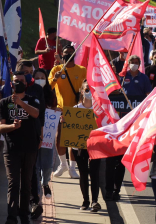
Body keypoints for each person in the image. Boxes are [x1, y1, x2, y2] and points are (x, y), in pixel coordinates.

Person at [0, 71, 40, 224]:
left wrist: (21, 104)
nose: (18, 83)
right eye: (16, 81)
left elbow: (35, 114)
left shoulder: (33, 100)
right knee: (13, 183)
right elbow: (0, 128)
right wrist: (12, 127)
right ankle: (12, 217)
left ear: (26, 84)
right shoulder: (4, 103)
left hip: (29, 148)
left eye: (21, 81)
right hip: (11, 149)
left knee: (26, 183)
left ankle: (24, 215)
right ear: (11, 84)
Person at [49, 44, 87, 179]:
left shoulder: (82, 70)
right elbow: (48, 88)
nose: (68, 54)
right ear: (62, 54)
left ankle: (72, 167)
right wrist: (55, 78)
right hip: (61, 109)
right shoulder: (56, 69)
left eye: (71, 52)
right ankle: (63, 164)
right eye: (66, 52)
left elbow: (87, 88)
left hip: (77, 109)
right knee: (59, 138)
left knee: (75, 140)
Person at [15, 61, 46, 219]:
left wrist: (41, 135)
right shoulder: (12, 88)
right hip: (14, 136)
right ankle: (17, 207)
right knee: (15, 174)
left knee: (31, 171)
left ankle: (34, 203)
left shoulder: (37, 89)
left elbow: (41, 115)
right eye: (24, 72)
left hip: (32, 135)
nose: (27, 74)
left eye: (30, 72)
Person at [72, 80, 102, 212]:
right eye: (86, 90)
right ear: (82, 92)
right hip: (79, 148)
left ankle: (95, 201)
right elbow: (70, 130)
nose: (89, 92)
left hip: (95, 147)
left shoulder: (99, 110)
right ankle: (85, 201)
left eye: (91, 90)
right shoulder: (75, 110)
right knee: (83, 173)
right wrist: (65, 121)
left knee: (95, 173)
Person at [33, 68, 58, 203]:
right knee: (35, 165)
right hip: (34, 133)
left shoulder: (50, 95)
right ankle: (37, 193)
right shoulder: (30, 94)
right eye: (37, 77)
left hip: (47, 135)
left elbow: (54, 108)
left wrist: (55, 111)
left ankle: (45, 183)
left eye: (42, 77)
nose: (40, 80)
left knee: (47, 164)